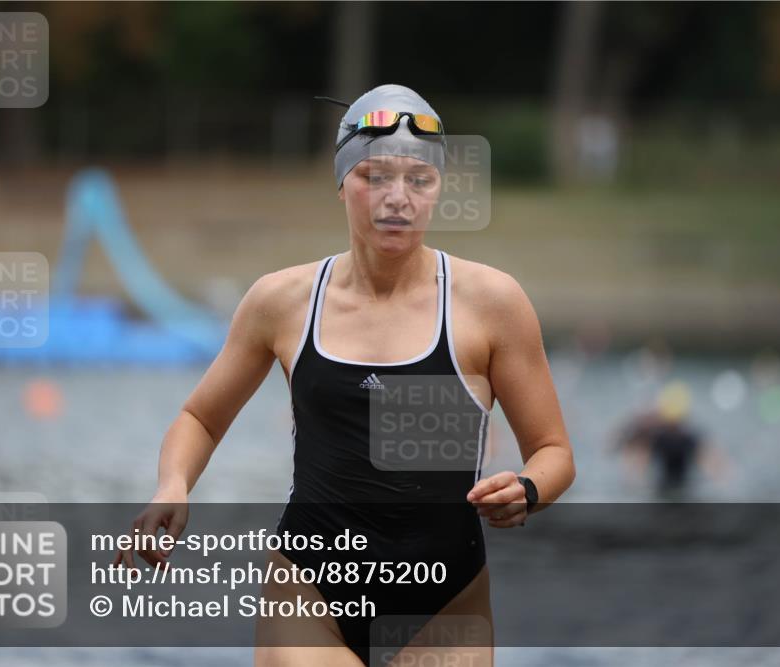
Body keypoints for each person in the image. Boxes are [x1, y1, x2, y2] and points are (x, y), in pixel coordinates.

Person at [115, 84, 576, 666]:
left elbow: (554, 451)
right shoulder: (281, 302)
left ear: (438, 191)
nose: (397, 199)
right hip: (309, 593)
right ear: (341, 182)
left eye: (419, 180)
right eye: (374, 177)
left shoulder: (492, 304)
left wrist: (528, 492)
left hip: (446, 603)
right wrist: (173, 486)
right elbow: (200, 418)